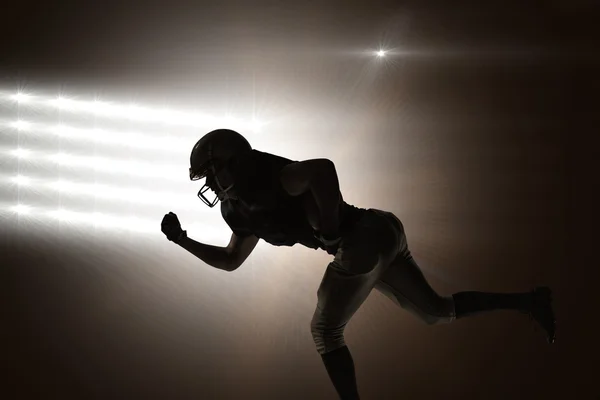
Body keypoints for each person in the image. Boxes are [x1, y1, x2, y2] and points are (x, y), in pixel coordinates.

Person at [161, 129, 556, 400]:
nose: (209, 184)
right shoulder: (240, 208)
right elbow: (232, 260)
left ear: (231, 161)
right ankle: (530, 301)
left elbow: (322, 169)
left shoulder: (270, 176)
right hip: (380, 233)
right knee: (438, 311)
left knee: (324, 330)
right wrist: (183, 240)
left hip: (360, 238)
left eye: (210, 172)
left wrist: (331, 228)